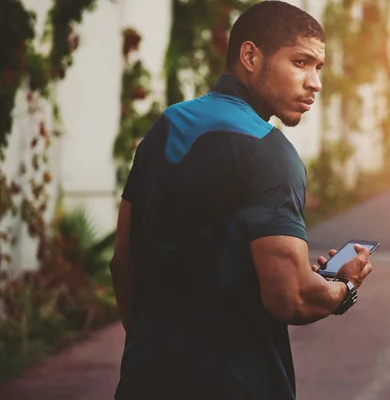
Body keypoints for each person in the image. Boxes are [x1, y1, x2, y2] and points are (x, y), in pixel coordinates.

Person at [109, 1, 373, 399]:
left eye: (318, 68)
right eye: (300, 62)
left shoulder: (166, 127)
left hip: (145, 381)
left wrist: (155, 353)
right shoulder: (269, 153)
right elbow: (292, 297)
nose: (315, 82)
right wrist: (344, 286)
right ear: (250, 56)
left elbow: (121, 263)